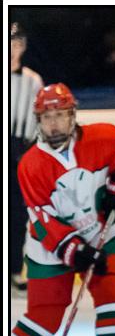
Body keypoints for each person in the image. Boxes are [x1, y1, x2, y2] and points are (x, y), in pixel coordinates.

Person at [9, 83, 115, 336]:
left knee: (114, 296)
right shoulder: (31, 164)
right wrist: (77, 252)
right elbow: (43, 221)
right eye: (46, 117)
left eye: (60, 115)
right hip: (51, 248)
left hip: (101, 232)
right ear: (38, 120)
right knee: (44, 318)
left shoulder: (105, 137)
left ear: (73, 115)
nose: (53, 123)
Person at [9, 22, 43, 298]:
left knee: (18, 215)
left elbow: (39, 121)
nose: (12, 49)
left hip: (21, 152)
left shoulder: (32, 80)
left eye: (17, 44)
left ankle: (14, 272)